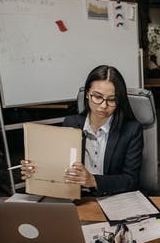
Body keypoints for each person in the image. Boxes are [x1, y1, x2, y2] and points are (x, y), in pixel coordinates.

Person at [21, 65, 143, 196]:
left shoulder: (131, 129)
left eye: (112, 100)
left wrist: (93, 180)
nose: (103, 105)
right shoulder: (71, 123)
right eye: (97, 96)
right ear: (87, 94)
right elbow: (61, 166)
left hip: (113, 197)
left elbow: (131, 180)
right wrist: (36, 170)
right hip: (76, 196)